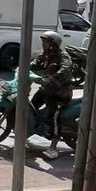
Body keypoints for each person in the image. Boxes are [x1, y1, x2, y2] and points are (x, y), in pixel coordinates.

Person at [29, 30, 74, 160]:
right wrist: (24, 68)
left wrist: (53, 77)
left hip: (61, 93)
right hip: (47, 89)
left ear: (53, 44)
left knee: (54, 117)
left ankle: (53, 148)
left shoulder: (63, 56)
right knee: (31, 106)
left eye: (46, 42)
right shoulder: (45, 55)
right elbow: (35, 64)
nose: (44, 44)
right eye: (43, 42)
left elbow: (65, 68)